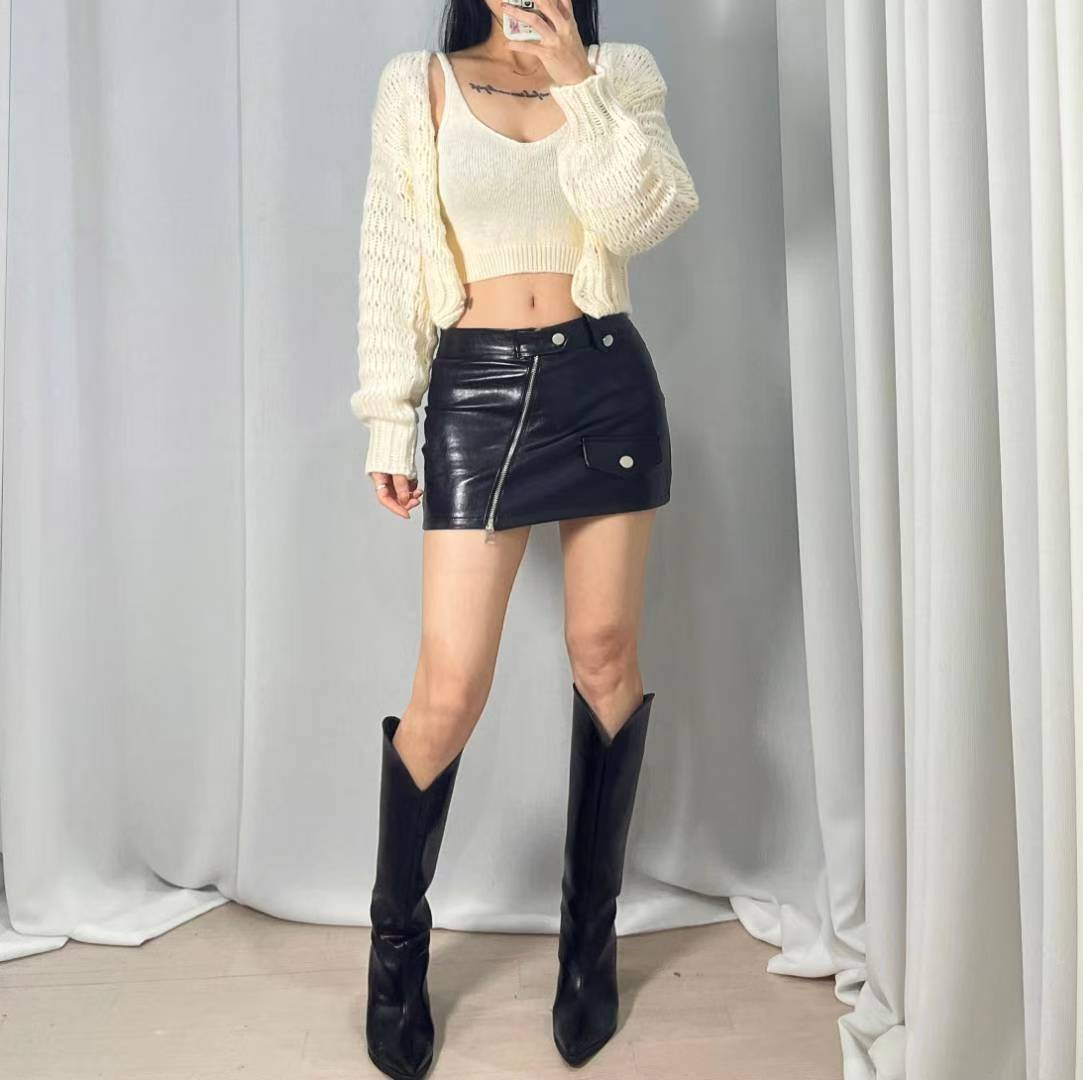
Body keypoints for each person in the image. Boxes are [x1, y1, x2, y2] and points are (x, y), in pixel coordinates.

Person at [350, 1, 699, 1076]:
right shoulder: (418, 82)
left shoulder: (619, 70)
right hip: (477, 393)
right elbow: (392, 251)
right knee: (449, 685)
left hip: (605, 381)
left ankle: (587, 949)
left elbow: (648, 215)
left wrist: (578, 78)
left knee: (605, 657)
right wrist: (388, 414)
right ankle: (396, 954)